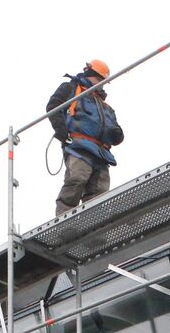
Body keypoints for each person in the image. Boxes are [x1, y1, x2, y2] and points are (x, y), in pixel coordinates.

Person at [47, 59, 124, 216]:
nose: (102, 84)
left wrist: (118, 134)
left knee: (100, 190)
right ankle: (64, 220)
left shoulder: (105, 106)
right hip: (78, 145)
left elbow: (115, 132)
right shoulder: (71, 88)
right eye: (100, 80)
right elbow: (53, 106)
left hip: (101, 153)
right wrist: (61, 131)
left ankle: (94, 223)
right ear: (91, 74)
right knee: (77, 179)